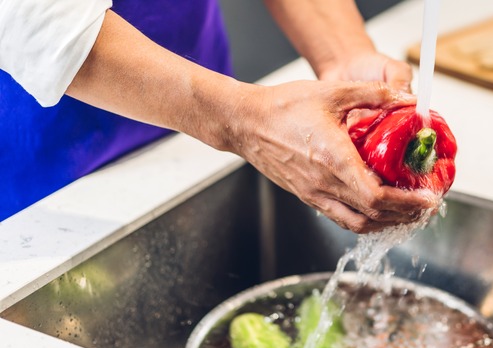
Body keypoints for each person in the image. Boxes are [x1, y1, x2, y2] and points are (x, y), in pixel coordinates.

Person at [0, 0, 435, 232]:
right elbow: (35, 17)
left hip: (199, 126)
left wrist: (343, 55)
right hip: (43, 172)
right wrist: (242, 121)